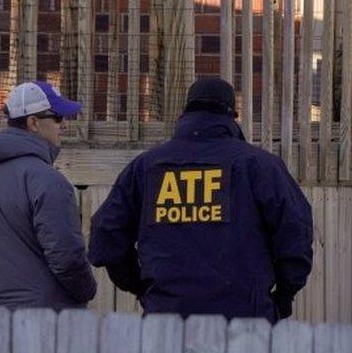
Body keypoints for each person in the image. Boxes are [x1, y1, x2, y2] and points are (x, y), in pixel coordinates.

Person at [88, 77, 313, 321]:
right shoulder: (259, 166)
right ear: (231, 116)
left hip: (166, 322)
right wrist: (282, 296)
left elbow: (107, 236)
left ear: (185, 112)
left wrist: (141, 287)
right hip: (246, 325)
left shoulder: (145, 167)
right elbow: (295, 235)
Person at [0, 81, 96, 309]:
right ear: (33, 123)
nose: (64, 125)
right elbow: (67, 258)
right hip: (46, 324)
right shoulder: (49, 182)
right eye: (58, 118)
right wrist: (87, 292)